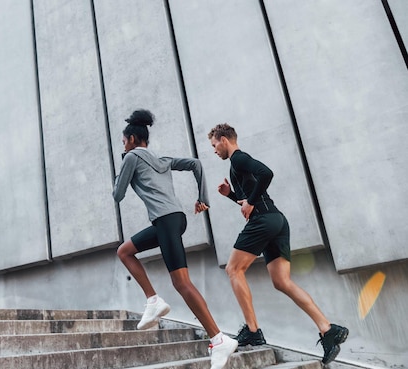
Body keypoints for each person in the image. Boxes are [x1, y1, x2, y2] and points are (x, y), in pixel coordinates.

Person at [207, 123, 348, 364]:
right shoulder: (237, 165)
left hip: (264, 220)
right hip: (276, 221)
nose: (214, 151)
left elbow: (267, 174)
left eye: (214, 145)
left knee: (233, 269)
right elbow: (249, 202)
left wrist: (249, 202)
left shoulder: (238, 158)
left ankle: (252, 330)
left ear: (224, 139)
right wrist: (231, 195)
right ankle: (327, 329)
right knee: (282, 281)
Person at [113, 110, 238, 369]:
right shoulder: (160, 160)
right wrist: (202, 198)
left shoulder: (131, 157)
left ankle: (218, 338)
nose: (122, 145)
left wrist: (125, 159)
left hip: (166, 220)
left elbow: (117, 194)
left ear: (133, 139)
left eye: (123, 141)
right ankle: (153, 300)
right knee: (125, 251)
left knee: (182, 283)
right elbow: (196, 164)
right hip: (172, 220)